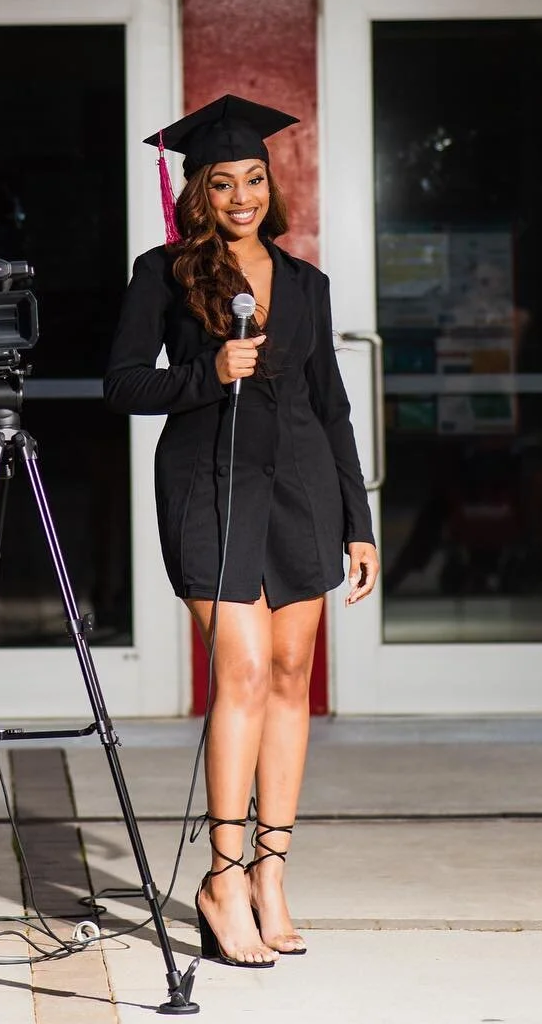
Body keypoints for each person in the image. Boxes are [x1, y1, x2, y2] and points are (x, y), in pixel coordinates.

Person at [104, 95, 379, 968]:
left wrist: (359, 523)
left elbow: (331, 409)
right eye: (222, 183)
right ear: (196, 193)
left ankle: (271, 874)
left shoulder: (305, 284)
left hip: (301, 490)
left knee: (293, 674)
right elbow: (118, 386)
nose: (241, 197)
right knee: (246, 670)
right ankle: (223, 877)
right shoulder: (164, 274)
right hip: (207, 486)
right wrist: (202, 372)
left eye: (254, 179)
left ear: (272, 185)